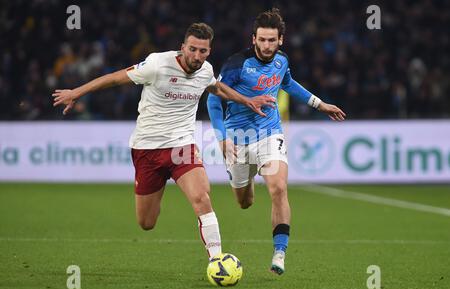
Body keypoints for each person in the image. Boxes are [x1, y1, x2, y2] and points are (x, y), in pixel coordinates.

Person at [52, 23, 275, 260]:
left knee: (201, 196)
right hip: (147, 148)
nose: (197, 56)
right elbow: (115, 79)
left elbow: (217, 88)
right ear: (182, 48)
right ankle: (160, 188)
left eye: (203, 51)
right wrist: (76, 92)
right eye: (192, 49)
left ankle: (217, 259)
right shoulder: (157, 64)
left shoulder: (205, 70)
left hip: (182, 146)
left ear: (209, 51)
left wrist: (247, 101)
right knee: (146, 222)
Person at [207, 9, 346, 274]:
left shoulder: (281, 60)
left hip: (270, 133)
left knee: (278, 188)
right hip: (238, 139)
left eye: (272, 40)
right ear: (253, 39)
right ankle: (248, 179)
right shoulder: (236, 65)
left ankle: (279, 253)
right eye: (262, 40)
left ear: (281, 39)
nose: (267, 45)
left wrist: (320, 104)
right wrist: (222, 138)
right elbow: (214, 98)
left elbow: (289, 83)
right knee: (244, 202)